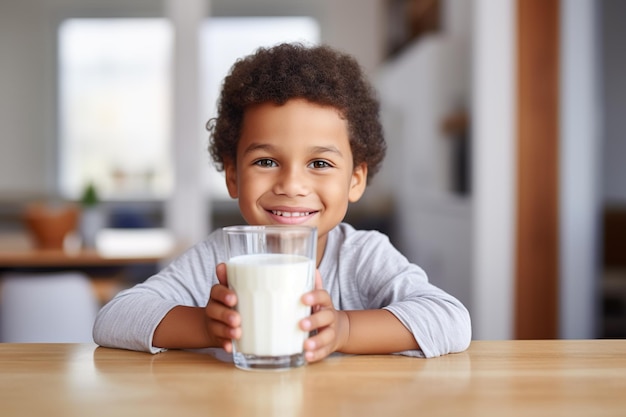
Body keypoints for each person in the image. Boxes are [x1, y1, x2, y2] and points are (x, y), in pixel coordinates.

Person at [93, 43, 471, 361]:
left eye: (320, 163)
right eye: (266, 161)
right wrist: (206, 325)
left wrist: (344, 328)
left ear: (355, 180)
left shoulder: (362, 256)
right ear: (233, 176)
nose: (292, 184)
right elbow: (113, 318)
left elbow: (452, 320)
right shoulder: (219, 258)